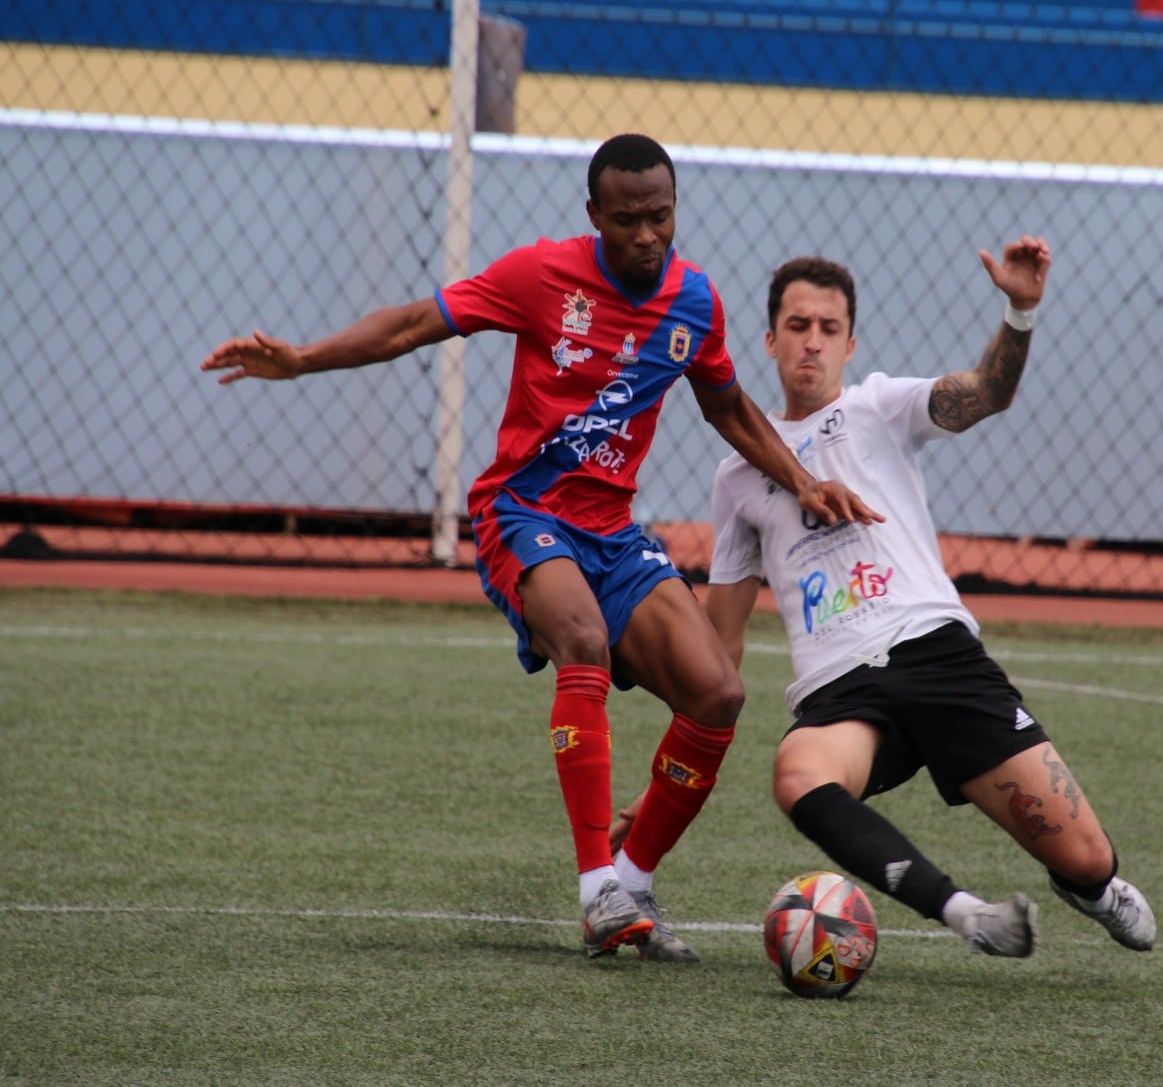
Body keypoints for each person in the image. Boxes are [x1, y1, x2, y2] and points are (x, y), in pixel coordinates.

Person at [200, 133, 882, 964]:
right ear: (593, 215)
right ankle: (596, 889)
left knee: (718, 695)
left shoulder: (695, 302)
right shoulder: (540, 275)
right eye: (626, 219)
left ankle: (632, 880)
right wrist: (303, 360)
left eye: (659, 217)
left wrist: (801, 480)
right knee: (584, 642)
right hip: (522, 511)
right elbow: (417, 322)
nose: (645, 235)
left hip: (612, 530)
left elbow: (729, 408)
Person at [691, 238, 1155, 957]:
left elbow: (987, 393)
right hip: (841, 686)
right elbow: (718, 652)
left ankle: (1089, 890)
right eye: (797, 326)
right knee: (796, 773)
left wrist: (1020, 311)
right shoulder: (737, 477)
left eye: (828, 328)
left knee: (1088, 857)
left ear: (850, 344)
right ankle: (966, 913)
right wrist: (668, 785)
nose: (811, 342)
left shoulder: (880, 406)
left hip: (935, 653)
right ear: (769, 340)